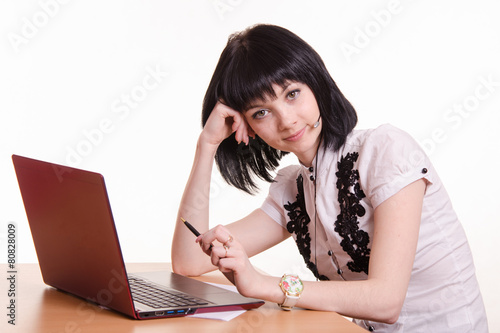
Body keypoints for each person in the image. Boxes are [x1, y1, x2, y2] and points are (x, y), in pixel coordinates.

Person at [171, 24, 488, 332]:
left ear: (316, 84)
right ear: (249, 128)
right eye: (261, 113)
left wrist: (262, 285)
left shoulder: (385, 151)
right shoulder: (293, 189)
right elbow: (188, 262)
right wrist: (207, 145)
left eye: (292, 93)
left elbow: (385, 301)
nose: (287, 119)